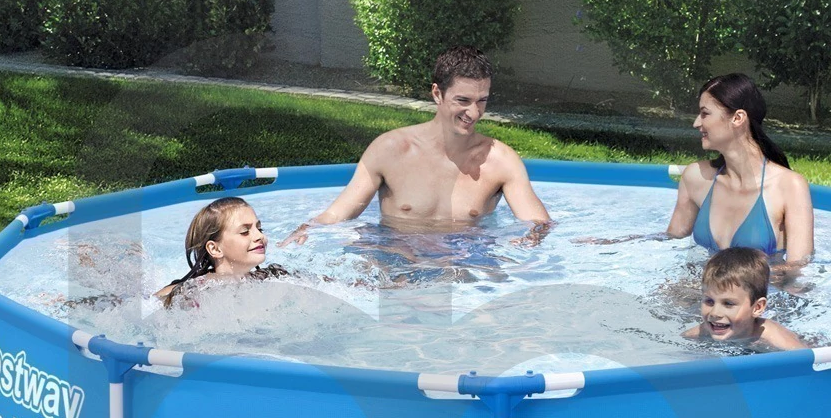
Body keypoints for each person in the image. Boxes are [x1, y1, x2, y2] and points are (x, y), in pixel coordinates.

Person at [280, 46, 551, 247]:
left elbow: (539, 223)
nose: (474, 112)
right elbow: (337, 214)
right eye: (463, 100)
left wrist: (530, 239)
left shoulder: (500, 161)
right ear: (437, 93)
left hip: (464, 265)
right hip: (397, 262)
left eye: (482, 100)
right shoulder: (390, 150)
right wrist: (305, 229)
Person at [667, 74, 813, 265]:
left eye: (705, 113)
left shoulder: (789, 186)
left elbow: (797, 268)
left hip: (763, 286)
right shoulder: (696, 177)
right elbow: (670, 240)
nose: (696, 123)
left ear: (737, 118)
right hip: (699, 284)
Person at [157, 197, 288, 308]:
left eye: (260, 229)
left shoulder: (273, 277)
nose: (259, 236)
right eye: (244, 232)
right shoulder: (192, 293)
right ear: (215, 249)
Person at [682, 248, 806, 350]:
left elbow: (807, 359)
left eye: (728, 303)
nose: (715, 313)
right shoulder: (701, 332)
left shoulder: (772, 337)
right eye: (709, 301)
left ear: (757, 307)